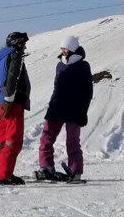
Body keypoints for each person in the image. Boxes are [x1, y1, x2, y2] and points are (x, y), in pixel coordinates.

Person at [36, 36, 93, 182]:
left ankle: (75, 171)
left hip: (75, 109)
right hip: (57, 107)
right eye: (62, 48)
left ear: (73, 49)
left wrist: (83, 110)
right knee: (46, 137)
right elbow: (56, 86)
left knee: (72, 141)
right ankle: (46, 167)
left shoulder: (83, 66)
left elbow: (87, 91)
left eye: (65, 48)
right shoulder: (59, 65)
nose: (62, 51)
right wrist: (52, 104)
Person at [0, 32, 31, 185]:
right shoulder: (15, 56)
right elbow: (12, 78)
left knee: (1, 140)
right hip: (12, 104)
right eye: (23, 43)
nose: (24, 46)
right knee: (13, 139)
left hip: (0, 103)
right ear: (17, 43)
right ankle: (4, 175)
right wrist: (9, 100)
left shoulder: (1, 59)